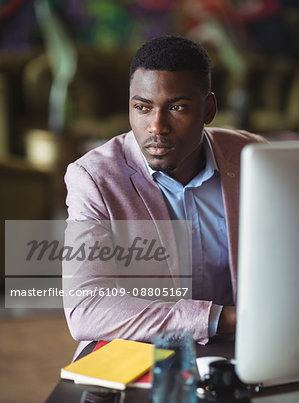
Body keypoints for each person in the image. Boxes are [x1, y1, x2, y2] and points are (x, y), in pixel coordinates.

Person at [63, 35, 267, 355]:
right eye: (142, 108)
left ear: (208, 109)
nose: (156, 126)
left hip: (250, 347)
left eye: (177, 107)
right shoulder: (94, 178)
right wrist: (225, 319)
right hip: (143, 353)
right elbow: (85, 308)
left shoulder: (252, 157)